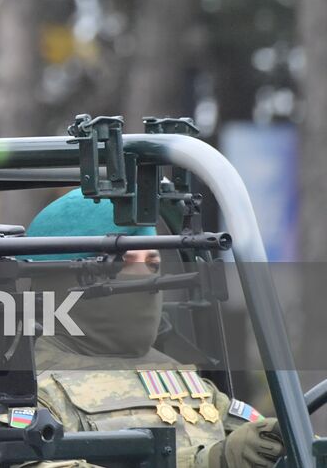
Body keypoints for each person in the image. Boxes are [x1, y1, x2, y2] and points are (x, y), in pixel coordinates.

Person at [24, 190, 283, 468]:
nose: (148, 281)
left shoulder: (185, 382)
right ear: (64, 280)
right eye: (123, 263)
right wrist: (208, 462)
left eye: (153, 264)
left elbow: (266, 442)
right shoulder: (24, 389)